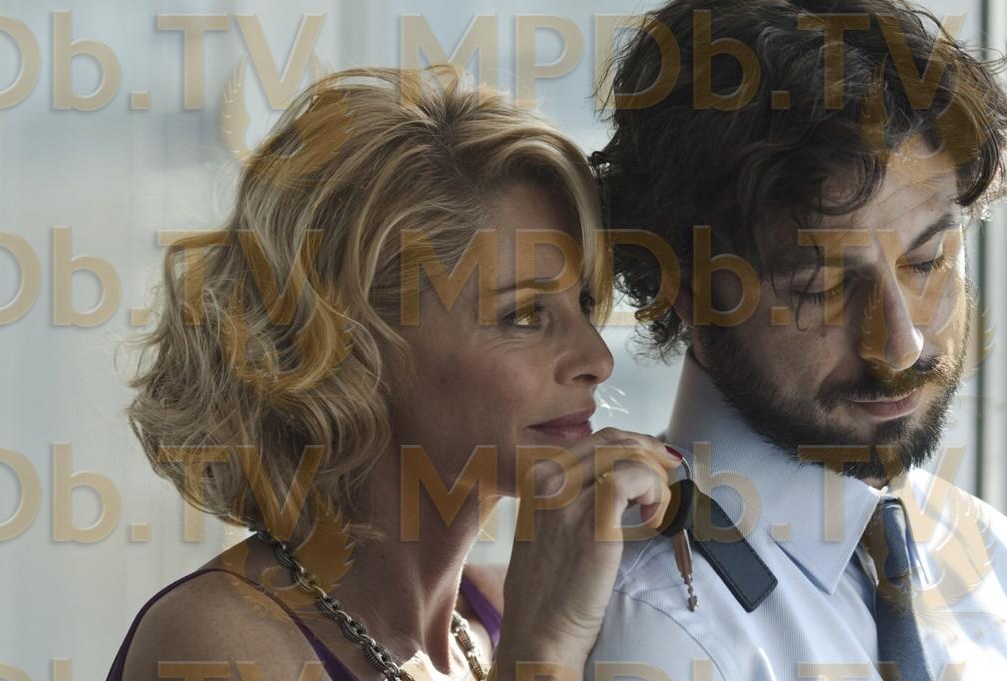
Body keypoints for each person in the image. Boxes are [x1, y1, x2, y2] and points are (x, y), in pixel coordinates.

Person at [113, 66, 680, 681]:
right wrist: (540, 654)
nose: (597, 359)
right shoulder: (219, 641)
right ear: (350, 345)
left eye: (585, 304)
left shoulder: (504, 612)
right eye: (523, 315)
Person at [585, 1, 1007, 679]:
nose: (902, 344)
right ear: (687, 288)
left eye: (927, 262)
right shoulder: (658, 629)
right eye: (822, 287)